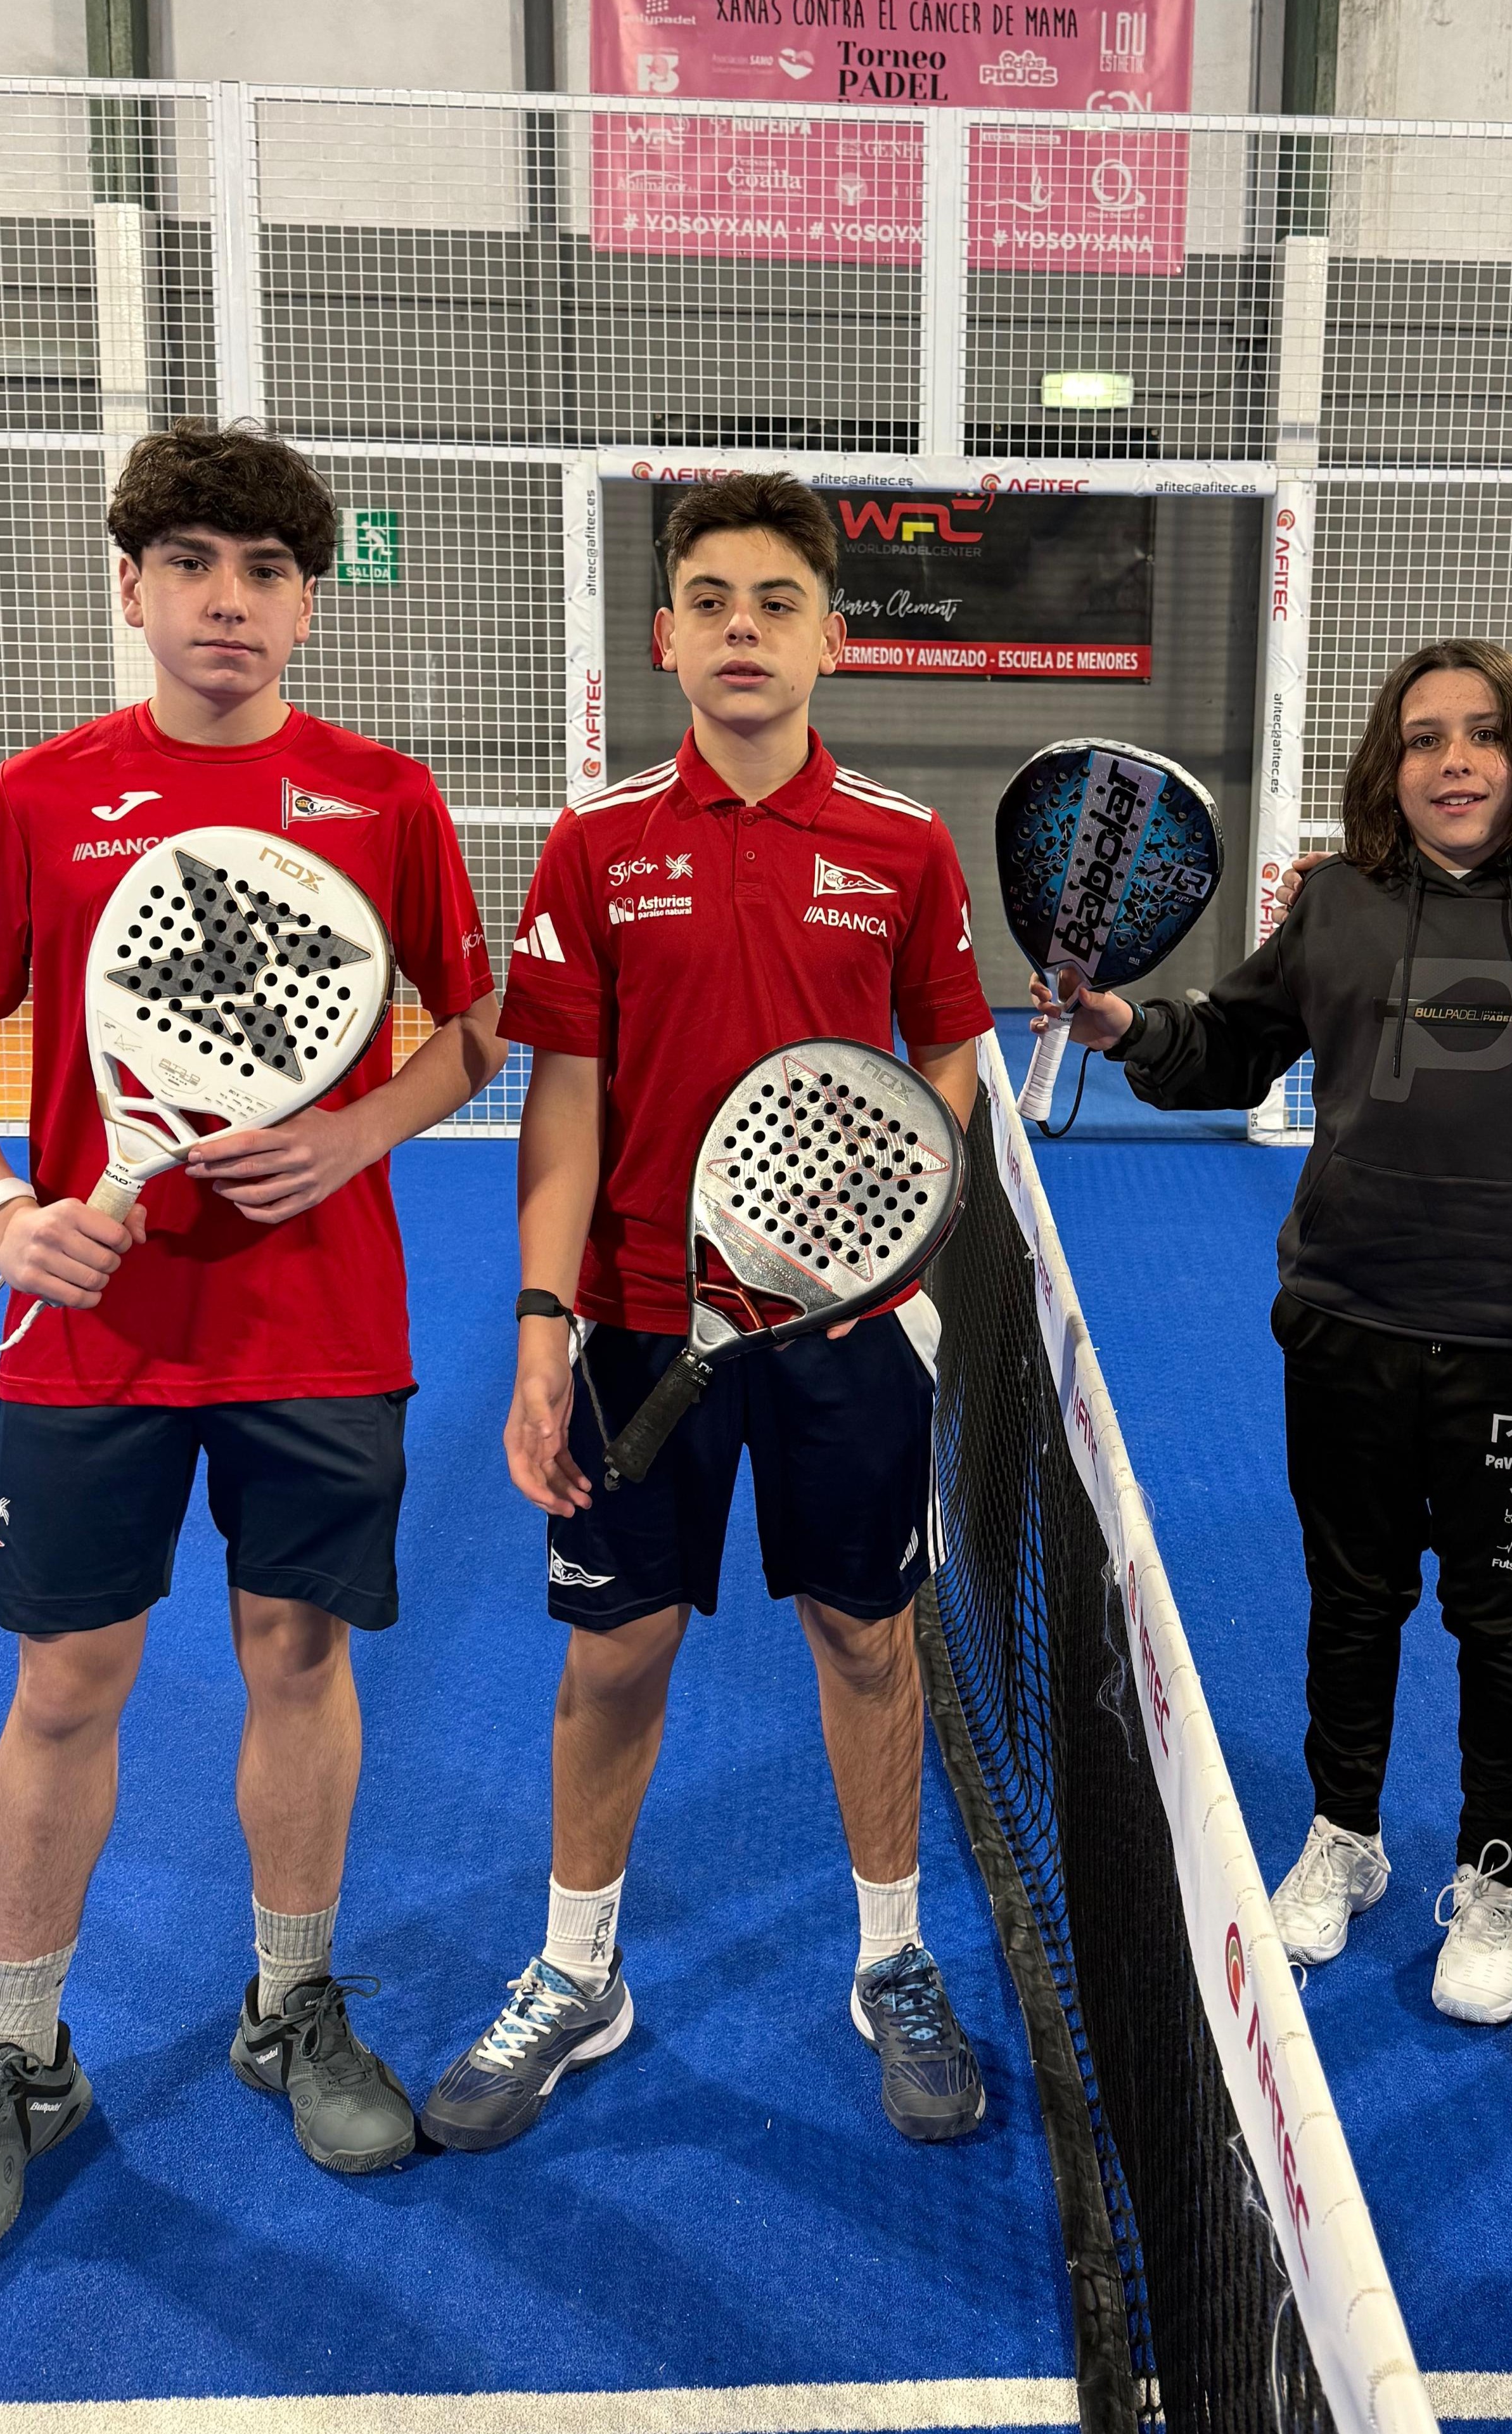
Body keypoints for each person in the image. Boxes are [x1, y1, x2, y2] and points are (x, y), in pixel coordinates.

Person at [0, 420, 505, 2274]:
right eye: (191, 566)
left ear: (309, 604)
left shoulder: (384, 800)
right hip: (94, 1337)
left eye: (265, 571)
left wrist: (359, 1131)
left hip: (321, 1325)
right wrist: (2, 1214)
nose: (228, 601)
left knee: (296, 1656)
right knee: (69, 1681)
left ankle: (289, 2004)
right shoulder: (42, 798)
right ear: (135, 589)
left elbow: (476, 1027)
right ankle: (20, 2054)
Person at [420, 471, 995, 2151]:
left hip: (845, 1333)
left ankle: (891, 1959)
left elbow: (948, 1050)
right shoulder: (597, 844)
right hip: (633, 1324)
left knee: (867, 1638)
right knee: (619, 1650)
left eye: (779, 602)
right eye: (713, 602)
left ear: (833, 639)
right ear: (665, 640)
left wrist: (887, 1225)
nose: (746, 629)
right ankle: (575, 1969)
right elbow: (563, 1096)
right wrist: (543, 1324)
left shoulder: (902, 844)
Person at [1040, 641, 1512, 2026]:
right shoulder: (1339, 902)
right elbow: (1235, 1043)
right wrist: (1123, 1024)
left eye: (1483, 734)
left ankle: (1495, 1874)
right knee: (1352, 1601)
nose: (1455, 761)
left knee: (1506, 1620)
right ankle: (1345, 1837)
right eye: (1424, 738)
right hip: (1347, 1320)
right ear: (1389, 764)